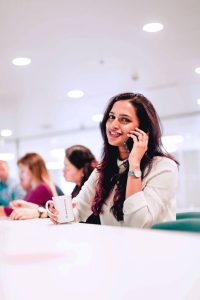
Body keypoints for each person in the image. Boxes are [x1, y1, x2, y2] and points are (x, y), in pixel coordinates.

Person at [49, 92, 179, 228]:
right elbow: (78, 210)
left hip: (152, 247)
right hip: (114, 247)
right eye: (111, 117)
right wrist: (57, 213)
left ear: (143, 130)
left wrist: (134, 164)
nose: (113, 125)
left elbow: (137, 224)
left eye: (124, 120)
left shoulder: (164, 167)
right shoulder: (103, 170)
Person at [9, 146, 100, 224]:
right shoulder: (77, 189)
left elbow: (68, 215)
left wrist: (39, 212)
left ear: (82, 170)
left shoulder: (91, 191)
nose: (63, 170)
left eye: (67, 167)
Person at [4, 152, 57, 219]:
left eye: (22, 171)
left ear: (32, 171)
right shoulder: (34, 189)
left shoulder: (42, 188)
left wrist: (3, 209)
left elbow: (20, 211)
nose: (20, 175)